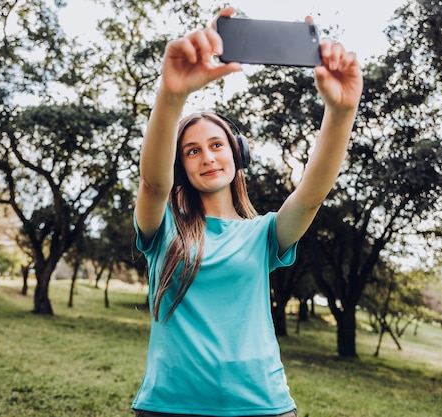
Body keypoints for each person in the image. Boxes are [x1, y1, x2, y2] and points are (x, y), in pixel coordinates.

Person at [132, 6, 363, 417]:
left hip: (262, 407)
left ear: (237, 154)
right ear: (179, 165)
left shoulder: (265, 234)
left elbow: (310, 195)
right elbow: (152, 185)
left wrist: (341, 111)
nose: (207, 156)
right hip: (169, 407)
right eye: (192, 150)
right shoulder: (162, 228)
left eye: (217, 145)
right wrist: (172, 95)